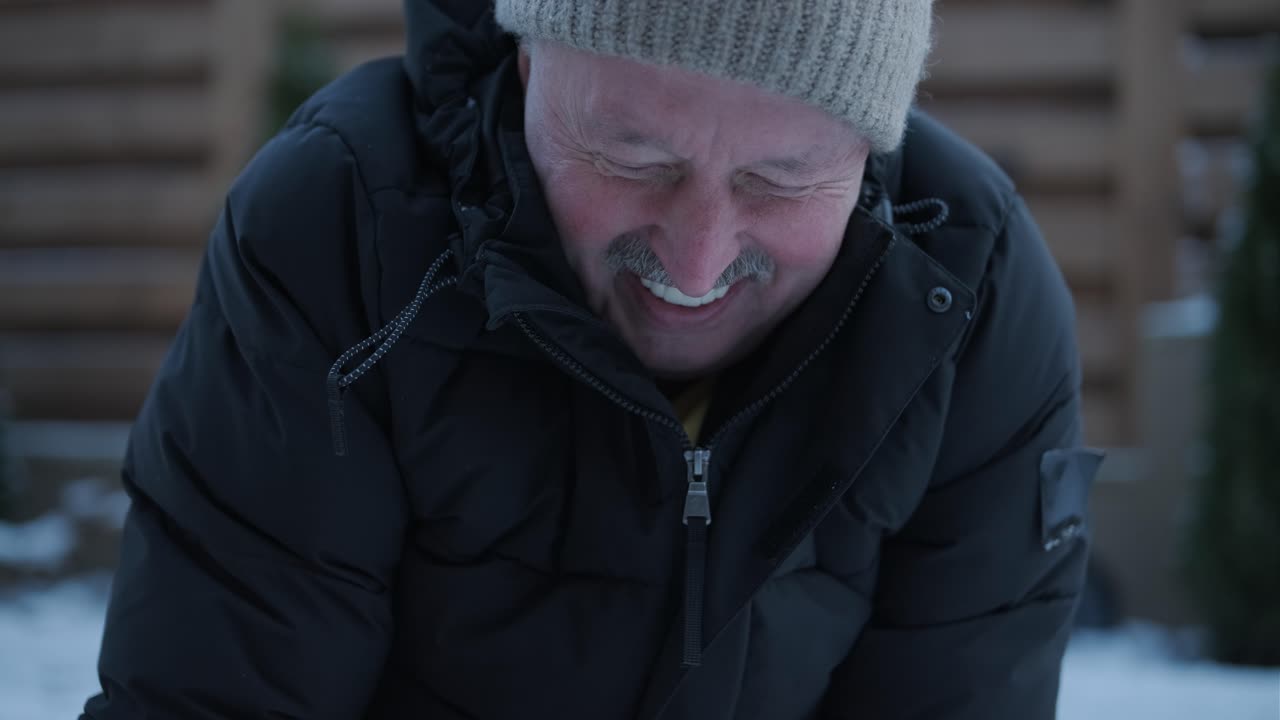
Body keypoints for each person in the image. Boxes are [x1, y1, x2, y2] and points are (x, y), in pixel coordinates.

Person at [83, 0, 1105, 717]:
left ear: (866, 156)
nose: (694, 260)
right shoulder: (342, 234)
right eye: (630, 158)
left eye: (781, 180)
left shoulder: (966, 300)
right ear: (527, 70)